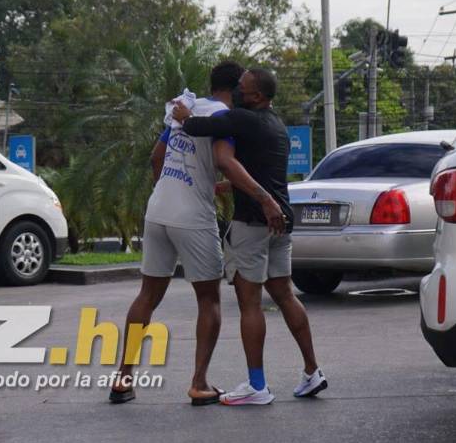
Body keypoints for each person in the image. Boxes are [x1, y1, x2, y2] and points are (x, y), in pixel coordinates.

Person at [109, 61, 282, 406]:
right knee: (209, 299)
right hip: (193, 218)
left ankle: (123, 378)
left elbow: (157, 156)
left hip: (158, 211)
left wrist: (173, 189)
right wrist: (263, 197)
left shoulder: (183, 110)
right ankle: (199, 383)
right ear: (235, 90)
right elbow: (224, 159)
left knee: (147, 296)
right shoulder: (224, 118)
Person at [173, 68, 326, 405]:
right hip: (281, 222)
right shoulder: (277, 126)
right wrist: (232, 188)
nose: (237, 93)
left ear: (256, 96)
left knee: (250, 305)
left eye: (242, 89)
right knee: (285, 294)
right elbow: (263, 171)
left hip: (253, 224)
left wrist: (183, 115)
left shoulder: (243, 119)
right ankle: (312, 372)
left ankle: (257, 385)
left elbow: (200, 127)